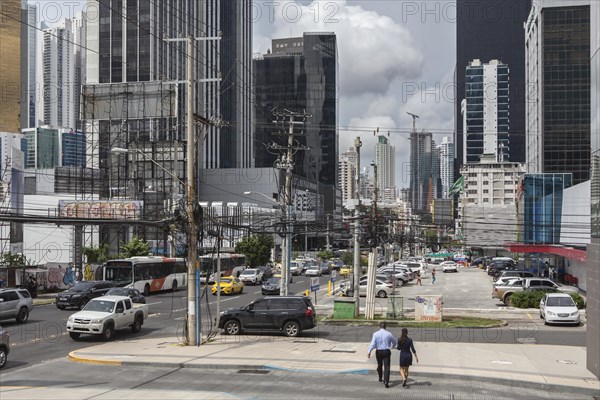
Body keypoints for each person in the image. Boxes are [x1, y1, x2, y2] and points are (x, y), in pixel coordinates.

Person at [367, 321, 397, 388]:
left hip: (379, 352)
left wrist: (369, 351)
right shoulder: (389, 334)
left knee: (380, 365)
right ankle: (386, 381)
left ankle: (380, 377)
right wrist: (392, 346)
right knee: (387, 367)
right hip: (386, 351)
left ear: (379, 326)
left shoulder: (375, 334)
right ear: (385, 327)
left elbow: (372, 344)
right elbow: (394, 342)